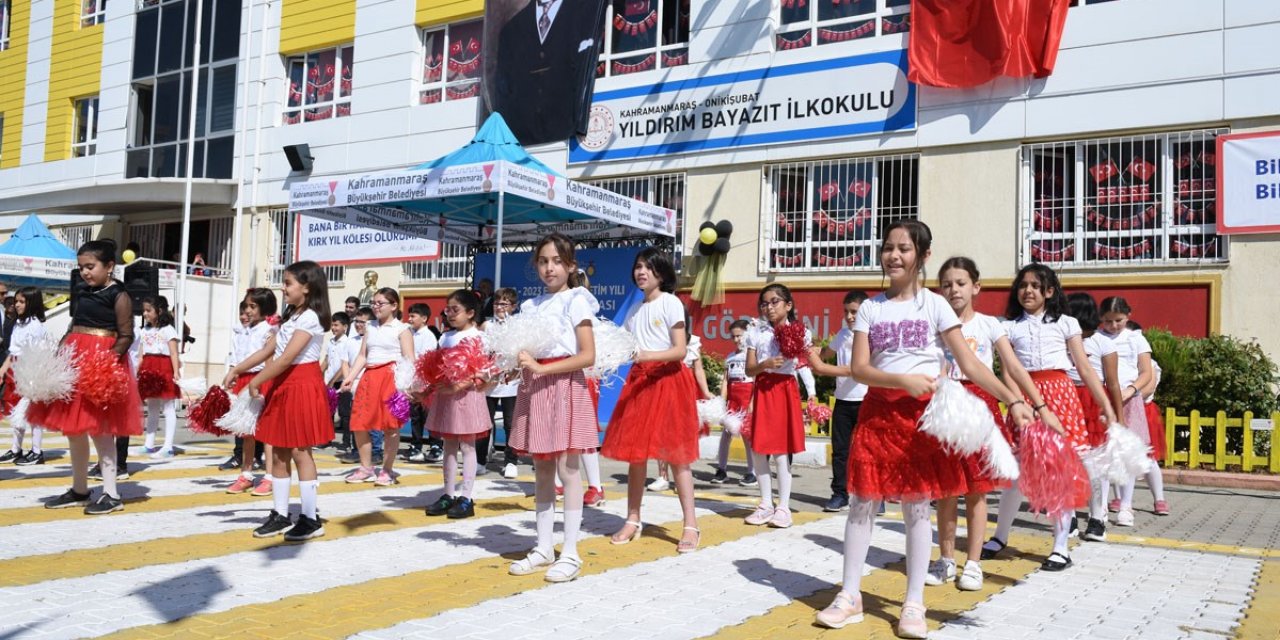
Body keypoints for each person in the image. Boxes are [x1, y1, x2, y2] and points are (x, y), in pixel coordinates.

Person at [812, 222, 1035, 637]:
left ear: (922, 256)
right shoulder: (872, 309)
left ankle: (913, 602)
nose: (894, 256)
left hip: (920, 422)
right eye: (888, 248)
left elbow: (971, 365)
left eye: (904, 249)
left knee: (916, 509)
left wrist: (1015, 399)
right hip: (878, 417)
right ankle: (850, 595)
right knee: (862, 505)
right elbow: (860, 368)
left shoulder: (935, 306)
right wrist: (902, 382)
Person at [926, 258, 1056, 591]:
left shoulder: (989, 325)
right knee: (946, 490)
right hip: (944, 407)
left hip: (980, 407)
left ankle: (973, 563)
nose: (953, 290)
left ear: (976, 287)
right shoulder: (933, 322)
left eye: (960, 283)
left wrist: (1036, 405)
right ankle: (945, 559)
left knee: (976, 489)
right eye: (946, 284)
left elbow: (1012, 368)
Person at [981, 264, 1117, 572]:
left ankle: (1060, 547)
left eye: (1035, 285)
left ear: (1049, 291)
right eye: (1023, 285)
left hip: (1060, 398)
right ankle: (1001, 535)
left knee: (1059, 472)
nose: (1027, 290)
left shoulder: (1067, 323)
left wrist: (1105, 405)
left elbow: (1084, 368)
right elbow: (1008, 369)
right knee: (1016, 472)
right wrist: (1016, 401)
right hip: (1024, 399)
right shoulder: (1008, 326)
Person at [506, 233, 599, 583]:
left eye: (557, 261)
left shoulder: (577, 300)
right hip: (536, 386)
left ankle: (571, 551)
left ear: (571, 266)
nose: (550, 268)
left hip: (563, 382)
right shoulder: (530, 307)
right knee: (541, 468)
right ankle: (544, 546)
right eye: (544, 261)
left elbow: (588, 355)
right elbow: (524, 353)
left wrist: (543, 368)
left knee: (568, 469)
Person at [600, 248, 702, 553]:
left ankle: (691, 524)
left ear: (661, 272)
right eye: (638, 267)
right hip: (640, 383)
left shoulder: (671, 303)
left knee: (677, 457)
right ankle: (633, 518)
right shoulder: (634, 310)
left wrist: (646, 355)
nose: (641, 272)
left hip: (669, 381)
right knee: (636, 456)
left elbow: (680, 350)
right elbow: (624, 347)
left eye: (647, 267)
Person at [35, 240, 142, 515]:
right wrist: (58, 356)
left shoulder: (119, 294)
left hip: (101, 364)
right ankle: (79, 489)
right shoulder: (81, 290)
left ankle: (111, 494)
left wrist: (105, 365)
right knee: (73, 431)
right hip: (75, 360)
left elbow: (126, 335)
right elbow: (73, 325)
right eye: (81, 267)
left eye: (90, 267)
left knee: (101, 431)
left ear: (109, 266)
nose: (84, 272)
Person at [246, 260, 333, 541]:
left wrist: (256, 380)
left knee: (299, 450)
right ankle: (280, 514)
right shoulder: (293, 315)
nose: (283, 289)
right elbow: (271, 348)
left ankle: (310, 518)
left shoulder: (311, 318)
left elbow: (286, 358)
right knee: (279, 451)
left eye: (288, 283)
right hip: (284, 384)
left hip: (300, 383)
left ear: (306, 288)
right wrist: (238, 369)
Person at [742, 284, 811, 529]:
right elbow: (749, 369)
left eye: (775, 302)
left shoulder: (799, 332)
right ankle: (765, 503)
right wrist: (766, 363)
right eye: (764, 303)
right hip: (762, 389)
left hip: (784, 390)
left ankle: (783, 507)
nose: (769, 307)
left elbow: (804, 364)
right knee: (758, 450)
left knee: (781, 452)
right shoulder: (755, 333)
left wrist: (812, 393)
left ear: (788, 305)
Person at [491, 0, 603, 145]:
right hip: (522, 139)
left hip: (568, 132)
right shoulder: (511, 30)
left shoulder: (587, 12)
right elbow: (505, 90)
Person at [423, 290, 492, 519]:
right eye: (448, 309)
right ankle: (448, 494)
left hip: (467, 397)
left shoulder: (478, 336)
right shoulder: (445, 337)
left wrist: (458, 386)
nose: (450, 314)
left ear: (471, 313)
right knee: (449, 445)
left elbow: (484, 371)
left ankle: (467, 497)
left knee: (468, 446)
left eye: (455, 310)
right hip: (446, 397)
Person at [1099, 297, 1167, 519]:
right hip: (1104, 398)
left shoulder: (1136, 339)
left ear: (1128, 316)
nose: (1114, 326)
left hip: (1130, 399)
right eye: (1108, 321)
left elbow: (1147, 372)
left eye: (1118, 320)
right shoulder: (1097, 338)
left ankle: (1127, 505)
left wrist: (1132, 390)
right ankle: (1103, 505)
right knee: (1105, 452)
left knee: (1132, 452)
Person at [1065, 292, 1124, 543]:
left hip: (1092, 400)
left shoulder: (1103, 343)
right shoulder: (1061, 338)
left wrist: (1118, 417)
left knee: (1095, 464)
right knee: (1067, 461)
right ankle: (1068, 517)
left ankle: (1097, 518)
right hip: (1066, 398)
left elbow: (1112, 382)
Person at [340, 289, 414, 486]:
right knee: (359, 422)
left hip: (391, 377)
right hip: (369, 376)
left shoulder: (402, 329)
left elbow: (409, 360)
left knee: (390, 426)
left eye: (380, 303)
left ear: (394, 306)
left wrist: (405, 387)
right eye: (373, 303)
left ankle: (387, 470)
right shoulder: (370, 326)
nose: (375, 306)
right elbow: (363, 355)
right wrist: (350, 377)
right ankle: (366, 467)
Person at [805, 290, 868, 512]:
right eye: (846, 312)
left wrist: (824, 368)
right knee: (840, 452)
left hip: (866, 401)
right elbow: (826, 354)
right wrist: (809, 349)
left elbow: (856, 370)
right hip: (842, 402)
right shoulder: (842, 334)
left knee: (866, 452)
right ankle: (840, 494)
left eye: (855, 312)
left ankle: (869, 496)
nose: (850, 316)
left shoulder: (870, 337)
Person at [222, 290, 281, 495]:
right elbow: (238, 356)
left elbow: (268, 360)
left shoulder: (270, 331)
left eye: (253, 306)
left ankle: (270, 476)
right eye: (246, 306)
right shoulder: (243, 330)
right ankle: (246, 474)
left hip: (261, 380)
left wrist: (263, 383)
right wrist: (233, 374)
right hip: (244, 380)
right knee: (246, 432)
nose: (247, 310)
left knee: (265, 432)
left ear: (265, 309)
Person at [0, 287, 49, 465]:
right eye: (16, 301)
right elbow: (13, 351)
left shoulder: (35, 325)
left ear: (31, 303)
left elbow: (39, 353)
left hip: (31, 371)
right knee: (16, 412)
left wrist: (34, 378)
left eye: (22, 302)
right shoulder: (18, 323)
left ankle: (37, 452)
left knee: (32, 412)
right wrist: (3, 371)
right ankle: (16, 449)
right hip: (17, 370)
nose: (17, 305)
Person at [711, 319, 757, 487]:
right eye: (733, 337)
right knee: (726, 435)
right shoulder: (730, 357)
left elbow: (757, 380)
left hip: (747, 399)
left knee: (747, 436)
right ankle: (721, 470)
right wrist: (721, 402)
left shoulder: (753, 356)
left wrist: (752, 402)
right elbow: (725, 380)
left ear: (747, 334)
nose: (737, 339)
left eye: (740, 336)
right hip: (733, 401)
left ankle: (752, 472)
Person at [136, 296, 182, 459]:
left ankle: (168, 447)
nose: (145, 313)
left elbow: (174, 353)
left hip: (164, 367)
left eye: (148, 310)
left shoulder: (168, 329)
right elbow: (141, 355)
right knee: (153, 407)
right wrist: (137, 370)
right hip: (148, 368)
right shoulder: (144, 330)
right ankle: (149, 444)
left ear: (159, 311)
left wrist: (176, 372)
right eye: (144, 310)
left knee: (168, 407)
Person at [485, 289, 522, 478]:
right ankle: (480, 459)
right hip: (489, 382)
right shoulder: (486, 326)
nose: (499, 307)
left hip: (511, 382)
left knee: (510, 423)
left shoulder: (518, 325)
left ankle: (511, 460)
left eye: (504, 304)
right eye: (497, 303)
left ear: (513, 307)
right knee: (484, 422)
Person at [403, 303, 438, 463]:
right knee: (415, 415)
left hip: (424, 382)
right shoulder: (408, 333)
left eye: (413, 316)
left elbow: (426, 360)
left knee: (429, 414)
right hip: (411, 380)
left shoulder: (428, 336)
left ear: (424, 318)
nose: (409, 319)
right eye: (409, 316)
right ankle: (416, 445)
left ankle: (435, 445)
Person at [324, 312, 352, 454]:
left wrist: (332, 381)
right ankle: (327, 438)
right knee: (328, 411)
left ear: (345, 327)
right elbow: (326, 361)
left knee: (344, 413)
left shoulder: (347, 342)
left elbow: (343, 366)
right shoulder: (331, 341)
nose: (333, 328)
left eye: (336, 325)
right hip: (329, 382)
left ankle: (347, 442)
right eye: (332, 324)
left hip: (341, 382)